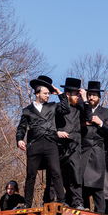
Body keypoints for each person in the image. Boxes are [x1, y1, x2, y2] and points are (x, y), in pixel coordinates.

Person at [16, 74, 66, 206]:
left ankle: (62, 200)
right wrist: (19, 139)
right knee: (31, 175)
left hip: (50, 143)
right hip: (34, 145)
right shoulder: (27, 110)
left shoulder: (52, 106)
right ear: (37, 94)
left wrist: (59, 93)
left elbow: (66, 109)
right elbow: (21, 127)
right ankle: (27, 203)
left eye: (49, 93)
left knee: (56, 171)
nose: (48, 95)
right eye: (45, 93)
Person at [79, 80, 108, 212]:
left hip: (98, 153)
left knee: (98, 187)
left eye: (94, 95)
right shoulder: (82, 109)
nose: (91, 97)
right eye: (89, 95)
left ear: (99, 98)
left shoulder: (106, 113)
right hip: (83, 151)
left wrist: (101, 123)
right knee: (83, 184)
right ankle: (84, 212)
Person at [57, 78, 86, 207]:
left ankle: (77, 202)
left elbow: (89, 115)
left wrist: (84, 98)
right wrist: (61, 97)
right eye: (76, 95)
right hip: (61, 145)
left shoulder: (80, 108)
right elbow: (63, 110)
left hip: (75, 146)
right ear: (68, 94)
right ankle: (61, 200)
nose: (78, 97)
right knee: (60, 175)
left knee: (75, 174)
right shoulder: (58, 107)